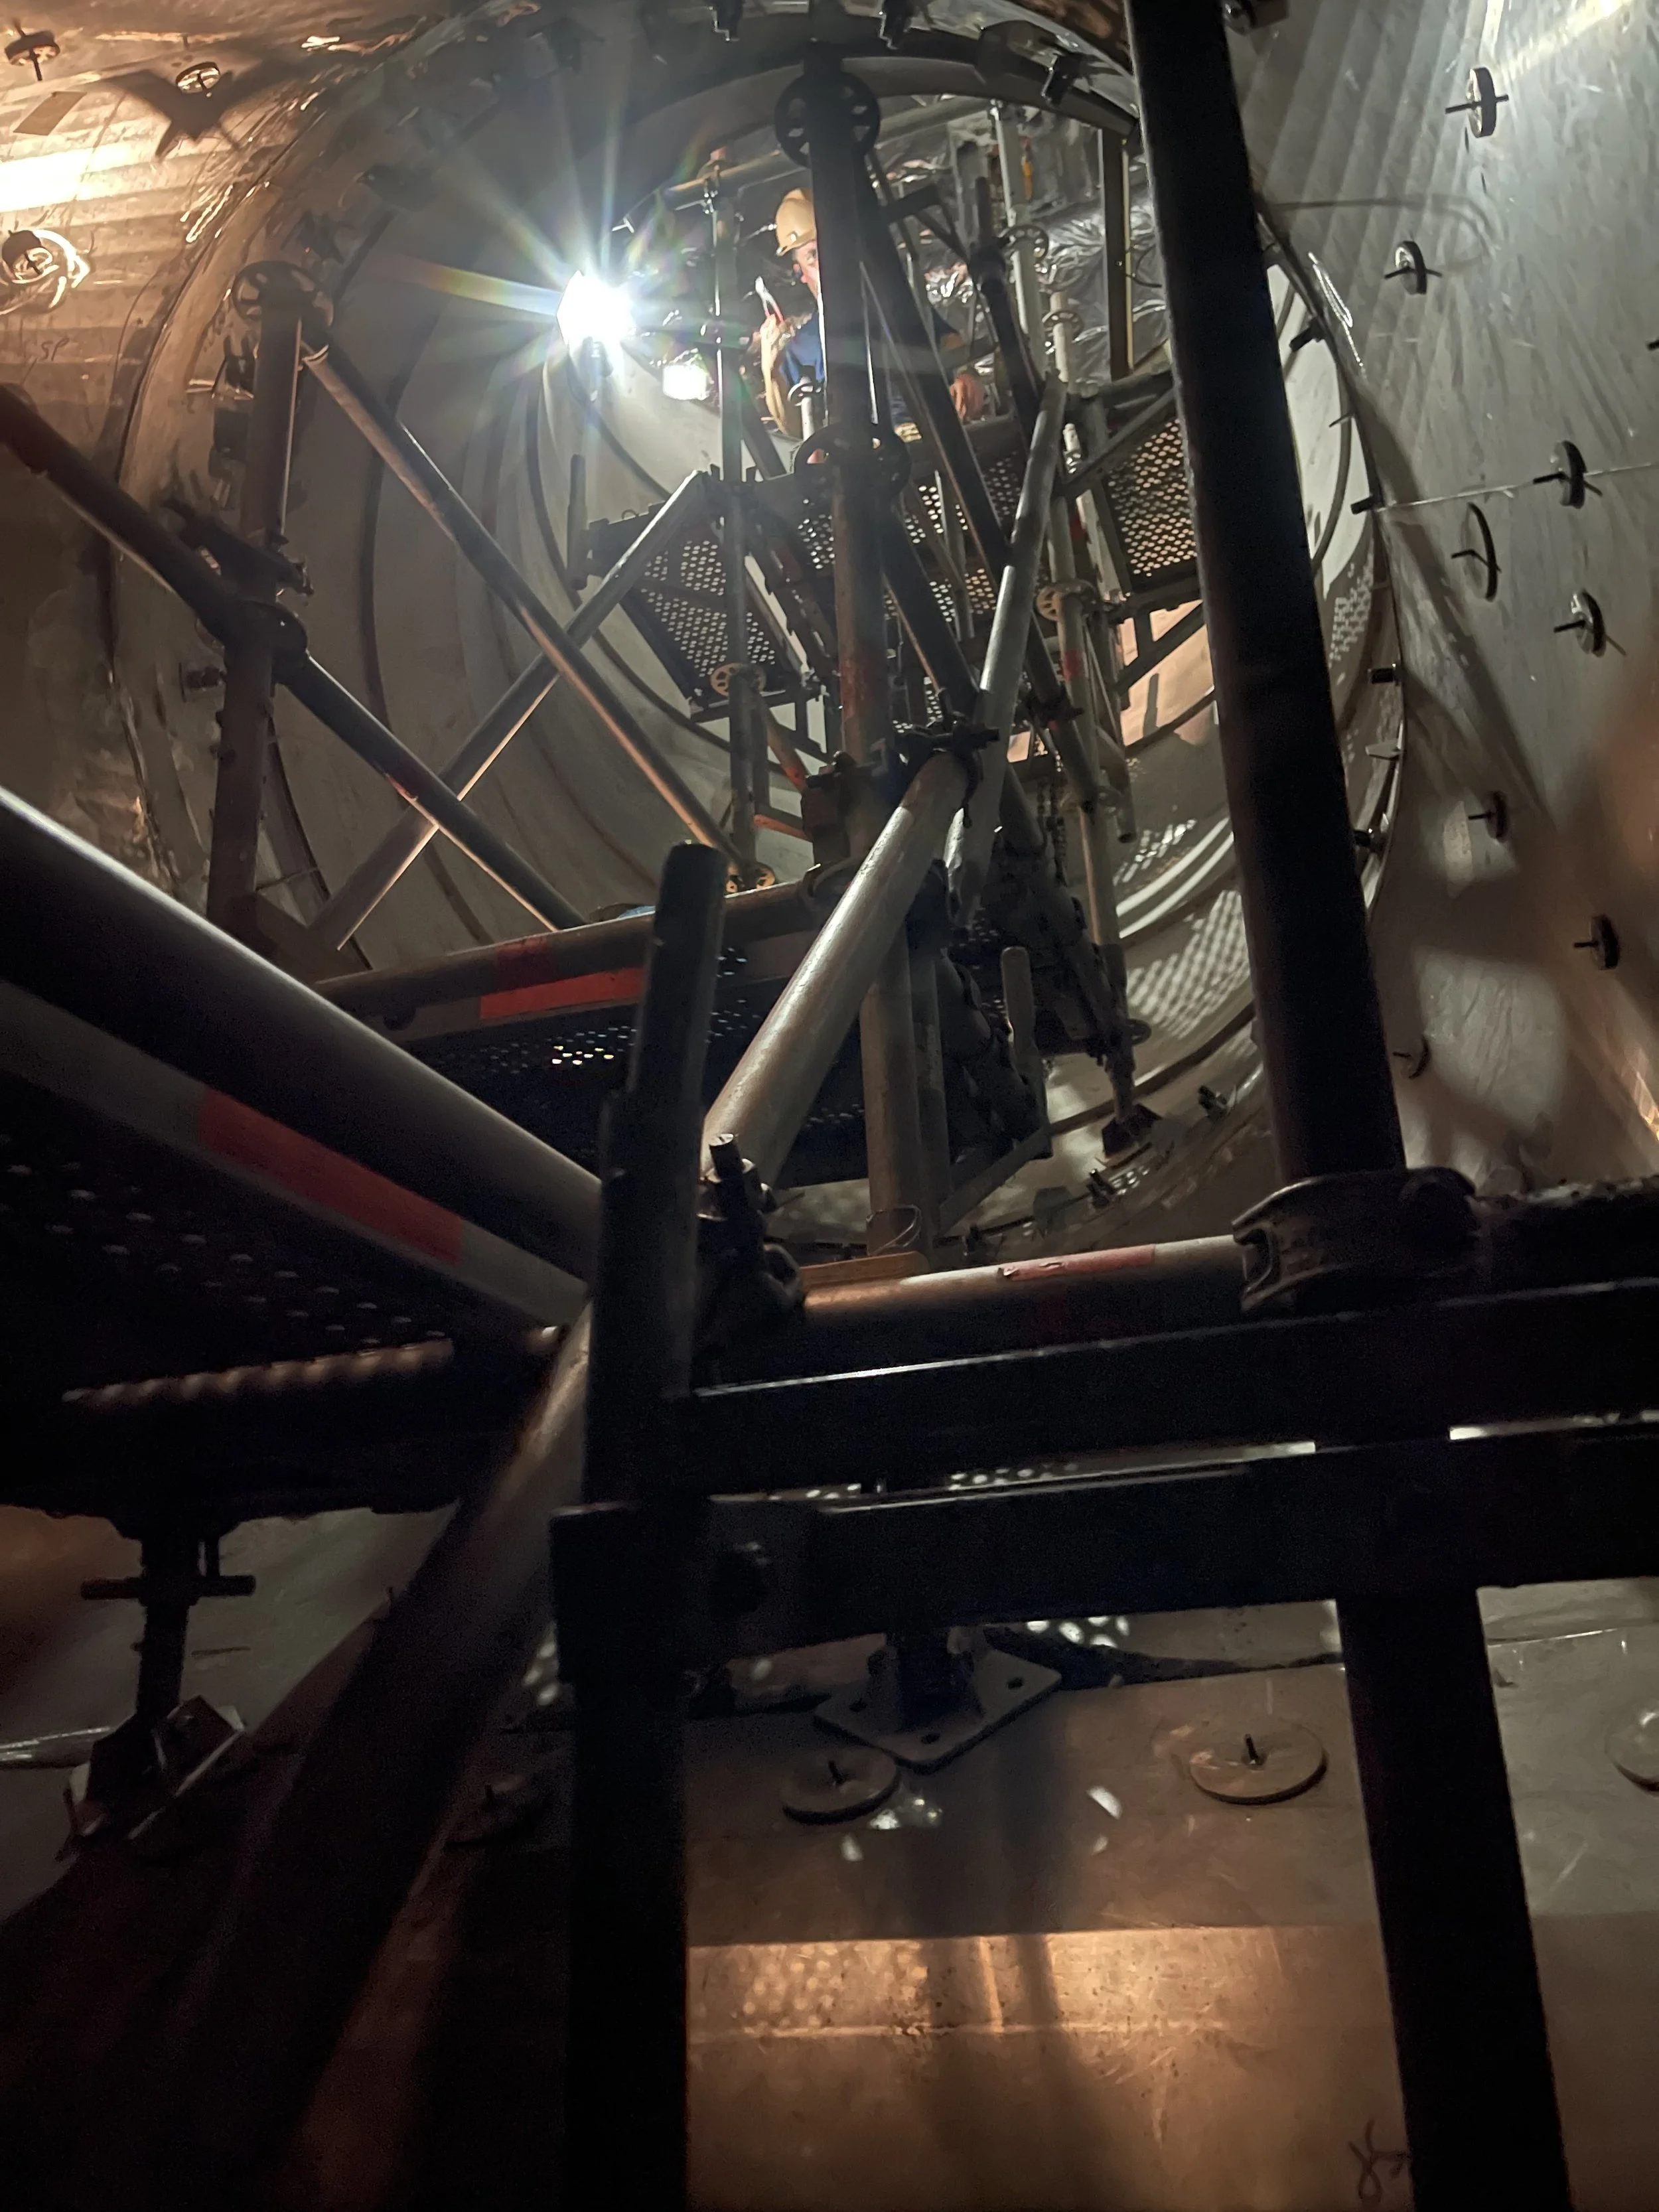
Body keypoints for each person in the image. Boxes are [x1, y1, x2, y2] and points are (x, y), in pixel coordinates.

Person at [759, 185, 987, 442]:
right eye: (814, 255)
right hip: (863, 461)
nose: (830, 264)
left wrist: (966, 374)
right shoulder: (802, 347)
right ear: (800, 272)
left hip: (933, 439)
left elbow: (946, 341)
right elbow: (795, 429)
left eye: (834, 248)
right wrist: (772, 369)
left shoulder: (897, 308)